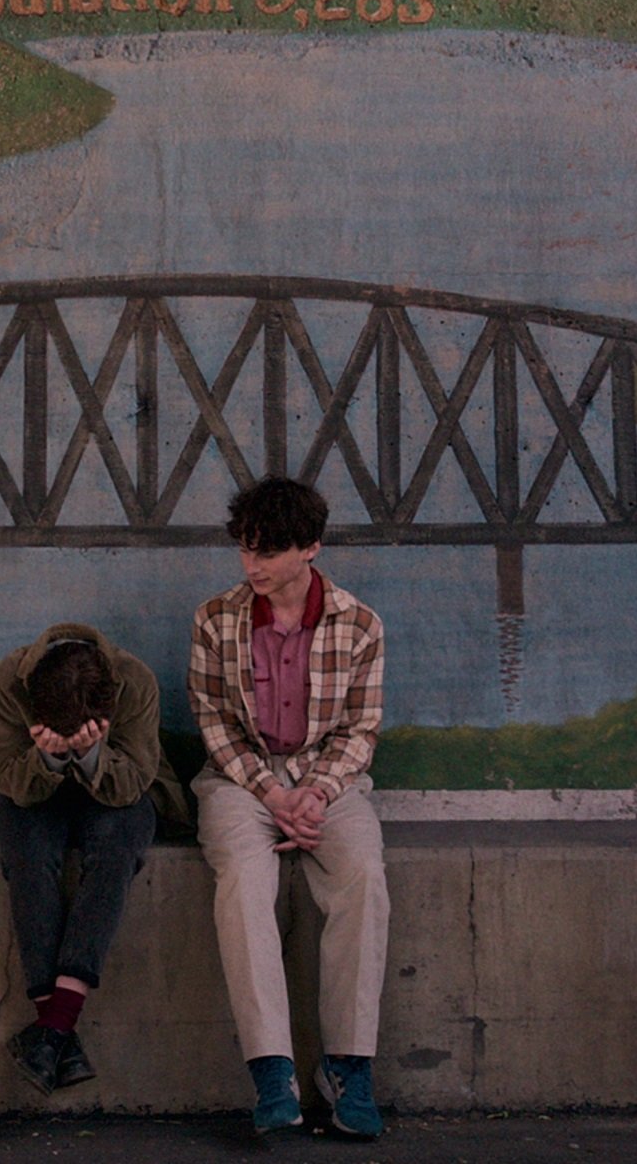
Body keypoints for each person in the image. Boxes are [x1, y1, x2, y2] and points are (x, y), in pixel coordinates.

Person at [188, 477, 390, 1139]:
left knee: (362, 876)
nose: (253, 565)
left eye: (269, 552)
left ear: (310, 547)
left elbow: (360, 731)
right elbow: (214, 722)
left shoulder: (359, 625)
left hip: (328, 782)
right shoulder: (215, 618)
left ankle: (350, 1069)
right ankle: (273, 1072)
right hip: (240, 780)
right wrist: (273, 795)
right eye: (246, 549)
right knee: (246, 881)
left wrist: (315, 793)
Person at [0, 622, 187, 1094]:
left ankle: (50, 1032)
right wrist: (51, 759)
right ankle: (58, 1028)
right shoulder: (7, 681)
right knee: (27, 853)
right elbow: (10, 782)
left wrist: (94, 752)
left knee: (116, 851)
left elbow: (133, 784)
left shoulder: (134, 681)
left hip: (119, 790)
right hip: (31, 789)